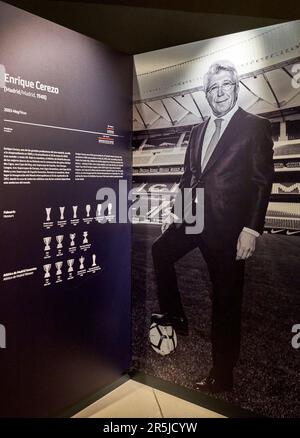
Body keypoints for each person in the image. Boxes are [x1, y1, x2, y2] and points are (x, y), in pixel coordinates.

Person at [151, 60, 274, 392]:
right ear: (206, 93)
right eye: (212, 88)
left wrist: (251, 229)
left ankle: (222, 374)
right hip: (194, 218)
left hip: (230, 230)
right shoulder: (197, 130)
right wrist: (176, 211)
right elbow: (189, 176)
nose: (218, 93)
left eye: (225, 86)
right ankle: (175, 317)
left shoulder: (255, 126)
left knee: (226, 300)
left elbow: (262, 181)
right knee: (160, 250)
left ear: (236, 88)